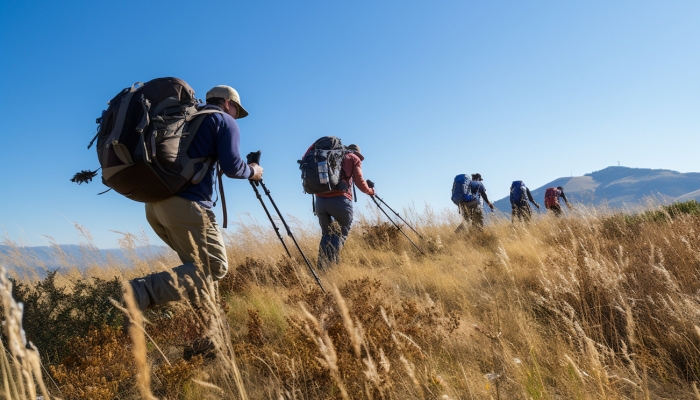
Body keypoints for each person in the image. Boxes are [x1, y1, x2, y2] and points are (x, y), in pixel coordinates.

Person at [128, 85, 263, 356]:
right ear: (227, 103)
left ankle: (211, 341)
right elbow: (234, 167)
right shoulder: (222, 120)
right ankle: (139, 292)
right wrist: (254, 171)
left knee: (199, 271)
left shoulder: (187, 118)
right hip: (187, 204)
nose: (236, 116)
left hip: (156, 204)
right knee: (214, 267)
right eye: (237, 110)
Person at [314, 144, 375, 269]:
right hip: (340, 201)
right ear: (357, 153)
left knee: (326, 234)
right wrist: (370, 191)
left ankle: (321, 268)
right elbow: (360, 182)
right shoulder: (353, 158)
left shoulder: (327, 156)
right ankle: (333, 268)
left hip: (320, 201)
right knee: (340, 234)